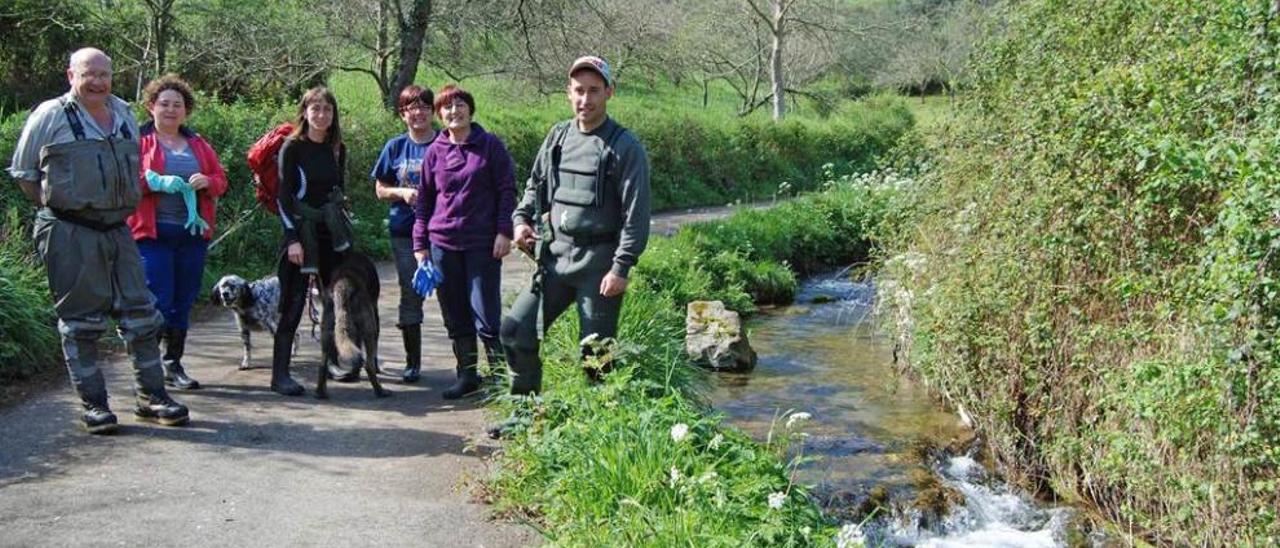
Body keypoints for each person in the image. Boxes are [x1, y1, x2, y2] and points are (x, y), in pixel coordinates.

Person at [8, 48, 189, 434]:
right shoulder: (49, 115)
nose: (98, 82)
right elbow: (25, 176)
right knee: (81, 323)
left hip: (119, 229)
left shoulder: (123, 112)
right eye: (89, 74)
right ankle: (94, 405)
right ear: (70, 74)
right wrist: (64, 211)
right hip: (69, 230)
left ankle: (152, 397)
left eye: (104, 74)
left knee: (142, 314)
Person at [497, 56, 651, 407]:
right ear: (568, 93)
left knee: (595, 356)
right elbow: (534, 188)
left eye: (594, 91)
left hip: (599, 268)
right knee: (515, 330)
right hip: (554, 261)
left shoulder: (625, 147)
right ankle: (525, 412)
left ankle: (598, 427)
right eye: (579, 91)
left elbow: (636, 215)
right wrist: (521, 222)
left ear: (609, 92)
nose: (586, 100)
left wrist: (621, 267)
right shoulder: (558, 137)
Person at [412, 84, 516, 399]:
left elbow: (507, 190)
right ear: (439, 114)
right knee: (455, 313)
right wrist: (420, 244)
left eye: (460, 105)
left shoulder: (490, 146)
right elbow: (424, 201)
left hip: (482, 243)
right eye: (447, 107)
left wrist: (504, 231)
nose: (454, 111)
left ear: (470, 110)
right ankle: (467, 376)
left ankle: (498, 380)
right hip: (442, 243)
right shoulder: (434, 152)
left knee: (486, 313)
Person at [129, 74, 229, 391]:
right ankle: (147, 369)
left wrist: (208, 182)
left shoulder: (198, 144)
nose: (171, 110)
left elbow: (221, 181)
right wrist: (154, 182)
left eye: (178, 105)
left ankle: (173, 364)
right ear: (151, 107)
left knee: (183, 301)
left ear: (186, 110)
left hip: (192, 236)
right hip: (152, 235)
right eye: (164, 104)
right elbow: (126, 183)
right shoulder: (138, 143)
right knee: (158, 298)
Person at [270, 86, 352, 396]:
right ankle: (280, 375)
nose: (321, 115)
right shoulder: (292, 147)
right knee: (291, 303)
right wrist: (292, 239)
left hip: (330, 234)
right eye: (315, 109)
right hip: (300, 234)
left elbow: (338, 191)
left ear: (334, 115)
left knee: (333, 299)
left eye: (327, 109)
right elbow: (283, 197)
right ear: (304, 112)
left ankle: (331, 361)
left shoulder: (337, 148)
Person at [372, 85, 435, 383]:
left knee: (452, 295)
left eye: (424, 107)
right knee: (411, 292)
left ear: (433, 112)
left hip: (444, 233)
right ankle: (413, 363)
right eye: (412, 108)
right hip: (404, 232)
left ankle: (467, 366)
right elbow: (380, 189)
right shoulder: (395, 148)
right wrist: (401, 192)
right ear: (403, 114)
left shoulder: (446, 144)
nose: (419, 113)